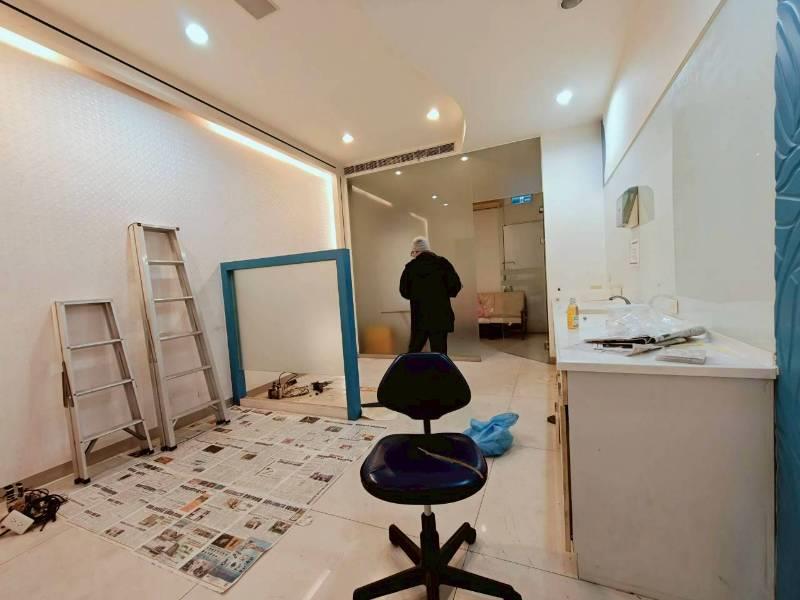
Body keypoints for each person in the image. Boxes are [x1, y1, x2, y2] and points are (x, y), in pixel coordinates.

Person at [399, 236, 462, 354]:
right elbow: (455, 286)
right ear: (428, 249)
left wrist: (417, 296)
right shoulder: (443, 263)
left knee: (414, 351)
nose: (413, 255)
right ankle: (438, 367)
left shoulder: (410, 267)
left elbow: (404, 291)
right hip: (440, 316)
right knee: (439, 352)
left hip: (419, 317)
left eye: (413, 252)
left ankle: (412, 366)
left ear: (416, 251)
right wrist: (442, 294)